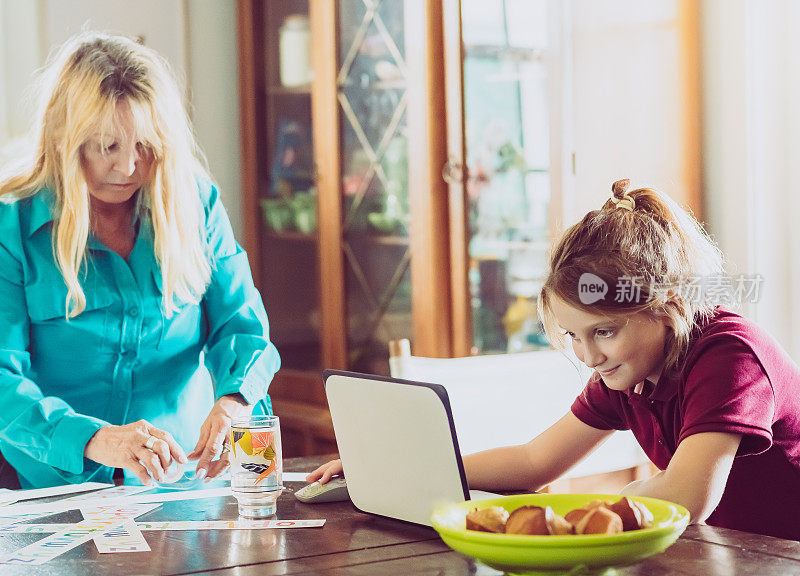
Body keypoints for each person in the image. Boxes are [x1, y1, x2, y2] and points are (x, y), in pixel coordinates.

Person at [308, 179, 800, 541]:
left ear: (668, 304)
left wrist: (565, 516)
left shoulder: (730, 356)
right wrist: (400, 467)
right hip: (739, 549)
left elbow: (687, 497)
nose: (589, 356)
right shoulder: (625, 374)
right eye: (574, 336)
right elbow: (532, 461)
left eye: (604, 331)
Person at [0, 31, 280, 489]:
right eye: (108, 146)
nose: (129, 168)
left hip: (185, 486)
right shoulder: (10, 227)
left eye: (145, 146)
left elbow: (243, 328)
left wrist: (235, 401)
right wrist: (96, 440)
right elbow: (2, 381)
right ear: (62, 137)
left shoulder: (198, 205)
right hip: (57, 487)